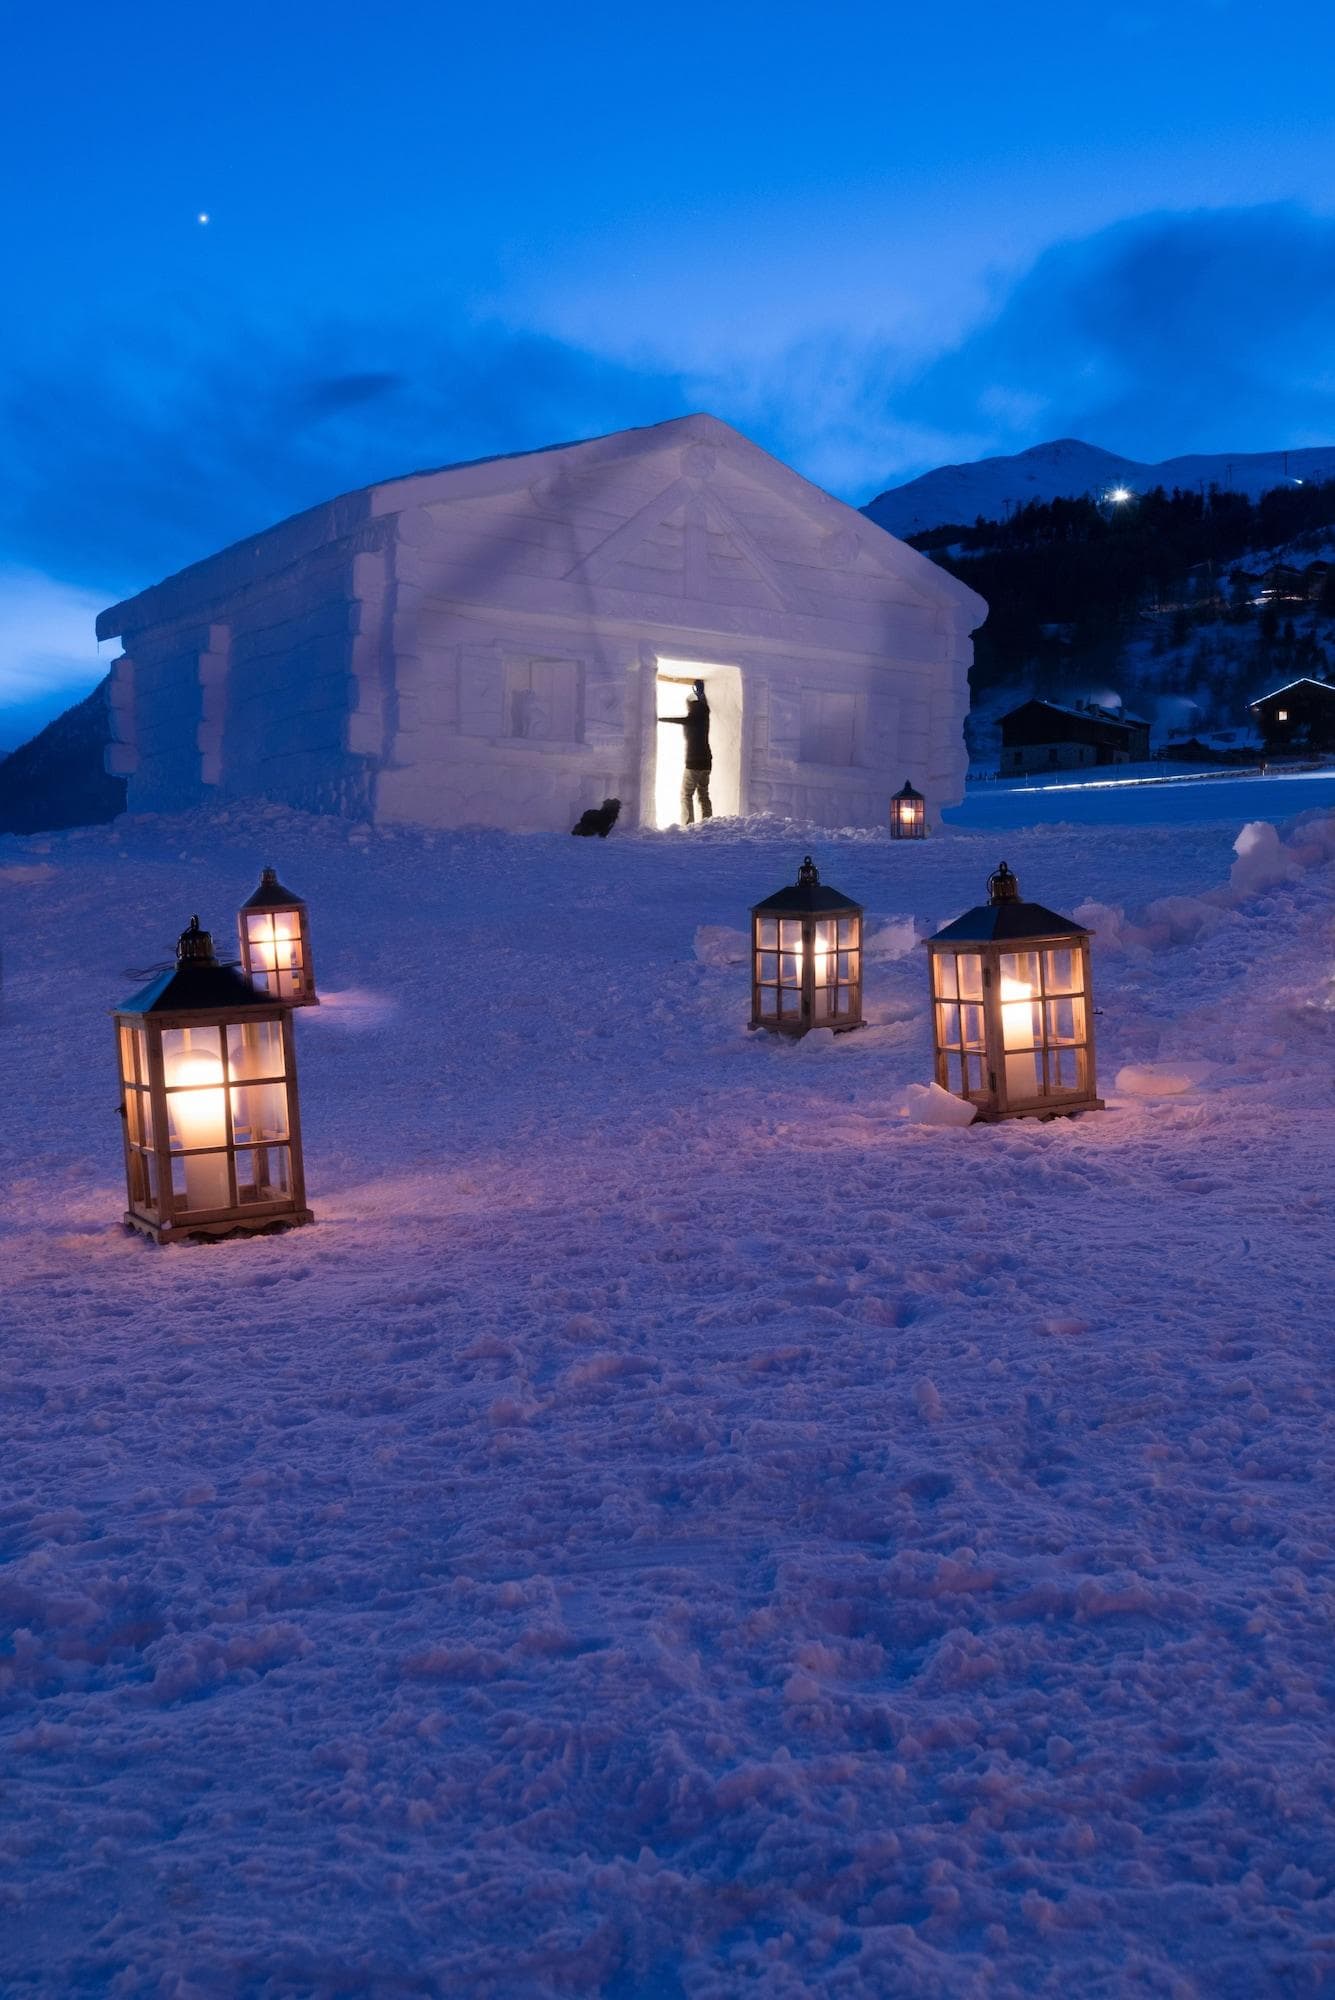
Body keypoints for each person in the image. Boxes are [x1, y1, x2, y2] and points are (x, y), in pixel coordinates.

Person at [659, 678, 712, 823]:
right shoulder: (705, 715)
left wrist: (660, 719)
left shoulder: (692, 719)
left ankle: (688, 824)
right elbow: (704, 704)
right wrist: (701, 693)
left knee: (686, 794)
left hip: (694, 763)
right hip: (707, 762)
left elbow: (681, 720)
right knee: (703, 793)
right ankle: (709, 823)